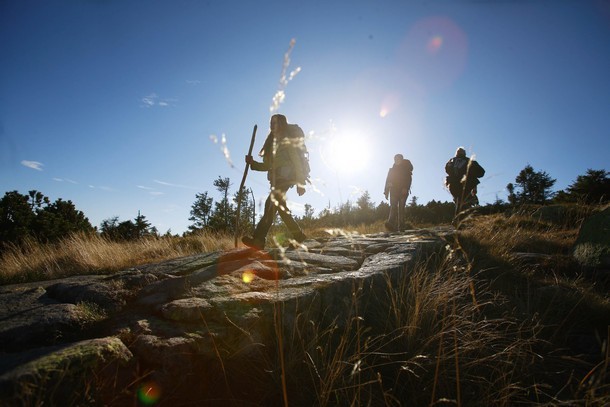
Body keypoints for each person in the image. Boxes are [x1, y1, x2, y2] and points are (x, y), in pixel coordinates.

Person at [242, 114, 307, 250]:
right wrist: (252, 163)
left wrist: (301, 183)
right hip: (275, 180)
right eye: (271, 123)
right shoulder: (271, 142)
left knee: (270, 206)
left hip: (286, 179)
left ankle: (258, 240)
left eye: (275, 123)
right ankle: (299, 236)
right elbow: (266, 166)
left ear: (282, 124)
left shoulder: (287, 141)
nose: (272, 125)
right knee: (281, 209)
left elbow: (296, 162)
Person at [444, 147, 485, 215]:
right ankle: (461, 218)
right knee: (462, 201)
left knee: (460, 200)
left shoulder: (452, 161)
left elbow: (447, 170)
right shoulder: (467, 161)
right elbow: (481, 172)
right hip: (462, 185)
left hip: (457, 185)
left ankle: (461, 218)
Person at [384, 153, 413, 232]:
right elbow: (387, 181)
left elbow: (409, 179)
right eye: (395, 159)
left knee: (401, 208)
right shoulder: (391, 170)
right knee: (393, 207)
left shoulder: (406, 169)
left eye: (398, 159)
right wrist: (386, 192)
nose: (396, 160)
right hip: (393, 191)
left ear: (401, 159)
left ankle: (401, 227)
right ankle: (390, 224)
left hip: (403, 191)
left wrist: (406, 188)